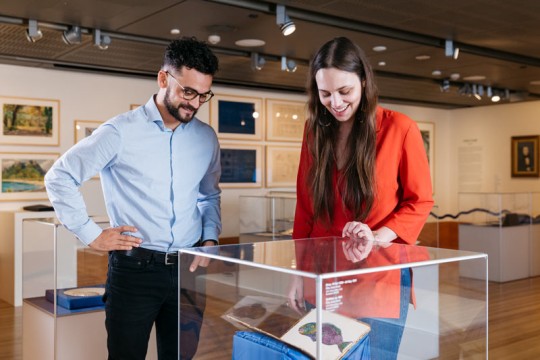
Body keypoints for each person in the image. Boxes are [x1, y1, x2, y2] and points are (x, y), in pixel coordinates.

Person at [45, 36, 222, 360]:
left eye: (204, 95)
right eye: (188, 92)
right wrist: (90, 234)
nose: (195, 104)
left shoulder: (206, 138)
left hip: (189, 270)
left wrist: (210, 238)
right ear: (163, 78)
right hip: (135, 272)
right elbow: (59, 176)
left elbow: (209, 196)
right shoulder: (119, 132)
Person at [288, 37, 434, 359]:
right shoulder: (315, 132)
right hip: (324, 274)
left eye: (345, 92)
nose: (335, 102)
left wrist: (379, 236)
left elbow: (420, 201)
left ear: (364, 82)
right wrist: (298, 275)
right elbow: (305, 208)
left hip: (379, 276)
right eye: (325, 94)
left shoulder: (400, 128)